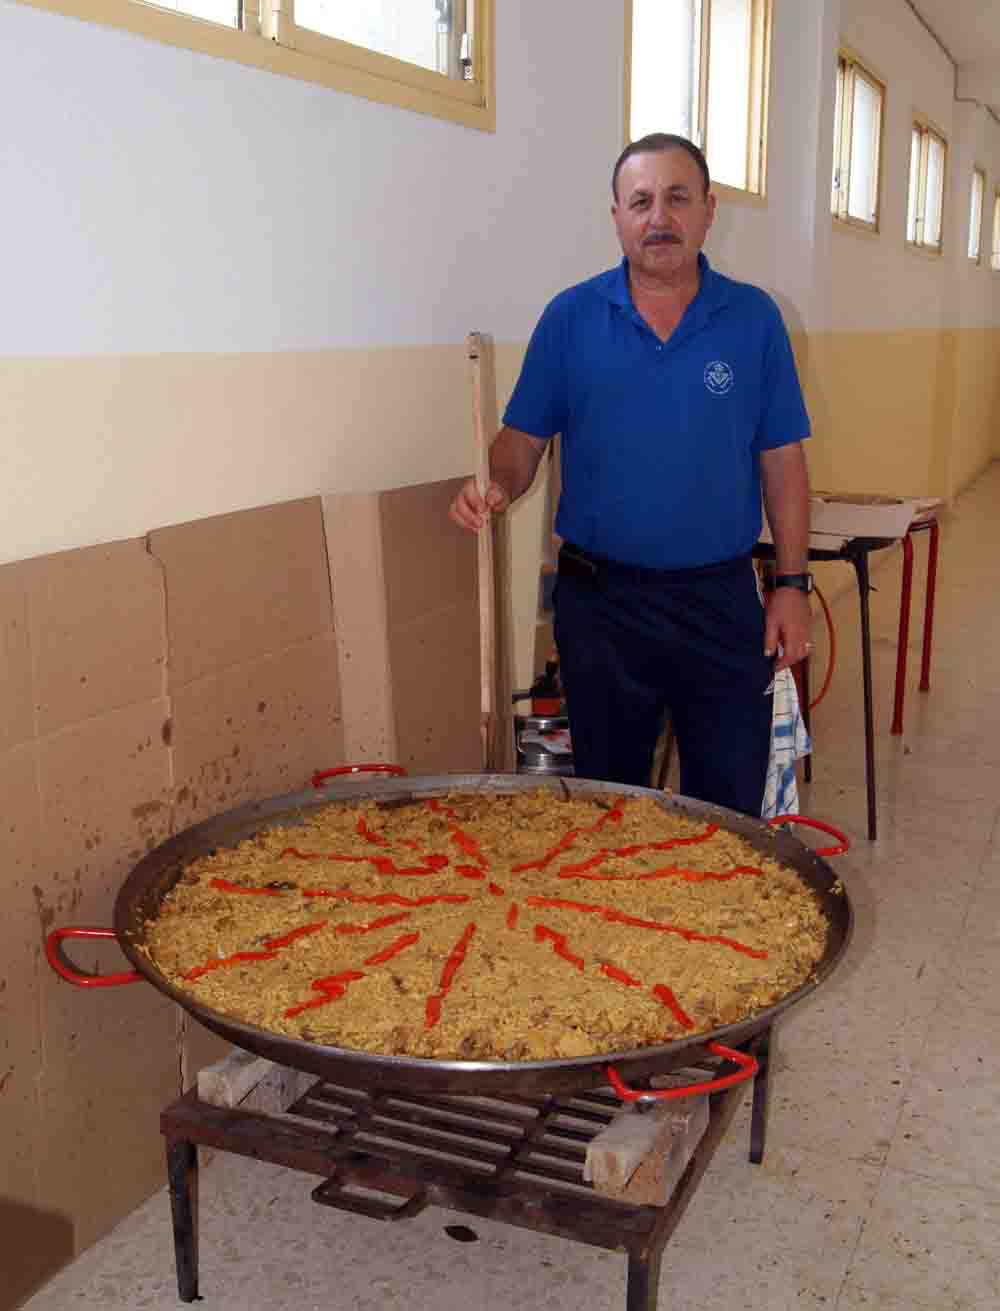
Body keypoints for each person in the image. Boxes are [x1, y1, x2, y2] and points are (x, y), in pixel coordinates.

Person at [449, 133, 812, 817]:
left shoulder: (753, 321)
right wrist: (495, 482)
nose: (659, 217)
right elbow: (521, 441)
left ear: (708, 211)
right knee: (607, 808)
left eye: (677, 198)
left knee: (728, 809)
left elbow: (783, 461)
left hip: (720, 603)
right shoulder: (570, 318)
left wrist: (792, 584)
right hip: (601, 608)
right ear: (615, 215)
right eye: (640, 201)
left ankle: (715, 921)